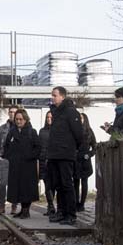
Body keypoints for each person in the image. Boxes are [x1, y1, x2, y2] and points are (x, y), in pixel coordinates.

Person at [47, 86, 84, 226]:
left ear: (62, 96)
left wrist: (73, 149)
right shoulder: (56, 112)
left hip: (65, 154)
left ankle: (71, 213)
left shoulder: (70, 112)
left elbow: (79, 134)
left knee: (67, 184)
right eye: (52, 95)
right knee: (58, 185)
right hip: (55, 154)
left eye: (54, 95)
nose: (52, 97)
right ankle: (61, 212)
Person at [3, 108, 40, 219]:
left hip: (28, 165)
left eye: (20, 119)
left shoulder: (31, 132)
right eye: (17, 119)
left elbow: (38, 147)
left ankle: (26, 210)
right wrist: (10, 156)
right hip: (15, 165)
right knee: (17, 188)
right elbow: (6, 146)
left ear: (25, 119)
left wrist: (30, 156)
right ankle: (22, 210)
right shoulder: (12, 132)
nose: (18, 121)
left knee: (26, 188)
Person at [0, 105, 17, 214]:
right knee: (3, 183)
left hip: (16, 160)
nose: (12, 114)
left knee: (14, 184)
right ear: (8, 113)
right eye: (11, 112)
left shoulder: (20, 128)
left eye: (14, 112)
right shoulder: (3, 128)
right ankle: (2, 206)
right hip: (5, 160)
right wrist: (0, 156)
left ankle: (14, 206)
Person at [75, 111, 97, 212]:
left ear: (85, 120)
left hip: (85, 159)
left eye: (82, 118)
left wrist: (89, 154)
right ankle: (75, 203)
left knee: (84, 182)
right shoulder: (74, 131)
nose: (80, 120)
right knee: (75, 182)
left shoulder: (89, 131)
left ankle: (82, 204)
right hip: (75, 159)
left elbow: (95, 147)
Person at [38, 111, 55, 216]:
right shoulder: (42, 131)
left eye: (51, 117)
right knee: (47, 184)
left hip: (53, 160)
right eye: (47, 117)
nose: (49, 119)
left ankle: (52, 206)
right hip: (43, 160)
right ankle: (50, 206)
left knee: (53, 184)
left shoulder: (57, 130)